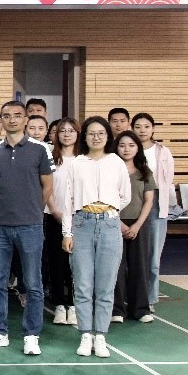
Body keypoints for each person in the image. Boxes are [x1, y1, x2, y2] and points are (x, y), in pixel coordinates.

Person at [0, 101, 54, 356]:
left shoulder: (40, 150)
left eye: (17, 115)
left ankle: (31, 334)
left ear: (25, 119)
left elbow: (47, 186)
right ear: (1, 120)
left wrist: (32, 210)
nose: (12, 120)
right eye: (7, 116)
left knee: (33, 283)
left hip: (30, 225)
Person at [61, 116, 130, 358]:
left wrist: (108, 209)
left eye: (101, 133)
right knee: (82, 285)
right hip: (82, 224)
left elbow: (125, 196)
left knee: (105, 285)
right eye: (91, 133)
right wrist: (67, 232)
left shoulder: (116, 162)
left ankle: (100, 335)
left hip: (109, 225)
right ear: (85, 137)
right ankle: (85, 334)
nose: (96, 137)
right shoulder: (76, 163)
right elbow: (68, 200)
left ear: (108, 136)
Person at [113, 131, 156, 324]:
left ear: (138, 148)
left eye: (131, 145)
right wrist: (120, 224)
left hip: (139, 224)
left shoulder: (145, 172)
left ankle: (140, 308)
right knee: (116, 267)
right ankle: (116, 309)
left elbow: (148, 201)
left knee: (140, 266)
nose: (126, 149)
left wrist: (137, 225)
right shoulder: (111, 170)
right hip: (114, 222)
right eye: (122, 145)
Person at [132, 113, 174, 311]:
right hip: (133, 202)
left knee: (153, 257)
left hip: (156, 204)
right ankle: (130, 295)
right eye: (138, 126)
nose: (142, 130)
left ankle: (149, 298)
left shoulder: (163, 152)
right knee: (132, 254)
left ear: (153, 129)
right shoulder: (128, 149)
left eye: (146, 126)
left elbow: (168, 180)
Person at [47, 118, 81, 327]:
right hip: (54, 216)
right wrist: (54, 210)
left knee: (76, 264)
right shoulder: (50, 157)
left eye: (71, 131)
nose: (67, 134)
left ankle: (74, 305)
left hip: (79, 218)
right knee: (57, 262)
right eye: (62, 131)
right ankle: (59, 304)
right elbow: (46, 186)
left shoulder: (84, 159)